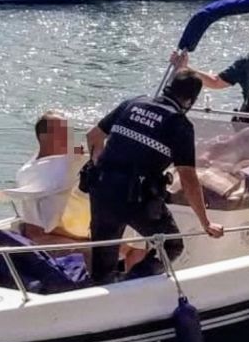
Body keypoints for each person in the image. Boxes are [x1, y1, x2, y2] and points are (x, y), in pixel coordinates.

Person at [86, 70, 223, 284]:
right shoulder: (180, 125)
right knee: (171, 245)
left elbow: (93, 136)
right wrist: (205, 222)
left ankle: (100, 296)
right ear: (190, 100)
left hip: (102, 188)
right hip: (135, 198)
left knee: (102, 263)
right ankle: (131, 284)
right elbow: (188, 179)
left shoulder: (132, 103)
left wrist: (99, 165)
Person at [10, 112, 87, 243]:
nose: (67, 137)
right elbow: (43, 228)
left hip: (63, 229)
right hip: (46, 237)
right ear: (43, 137)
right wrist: (83, 239)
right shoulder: (32, 172)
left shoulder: (65, 160)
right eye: (61, 132)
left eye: (67, 131)